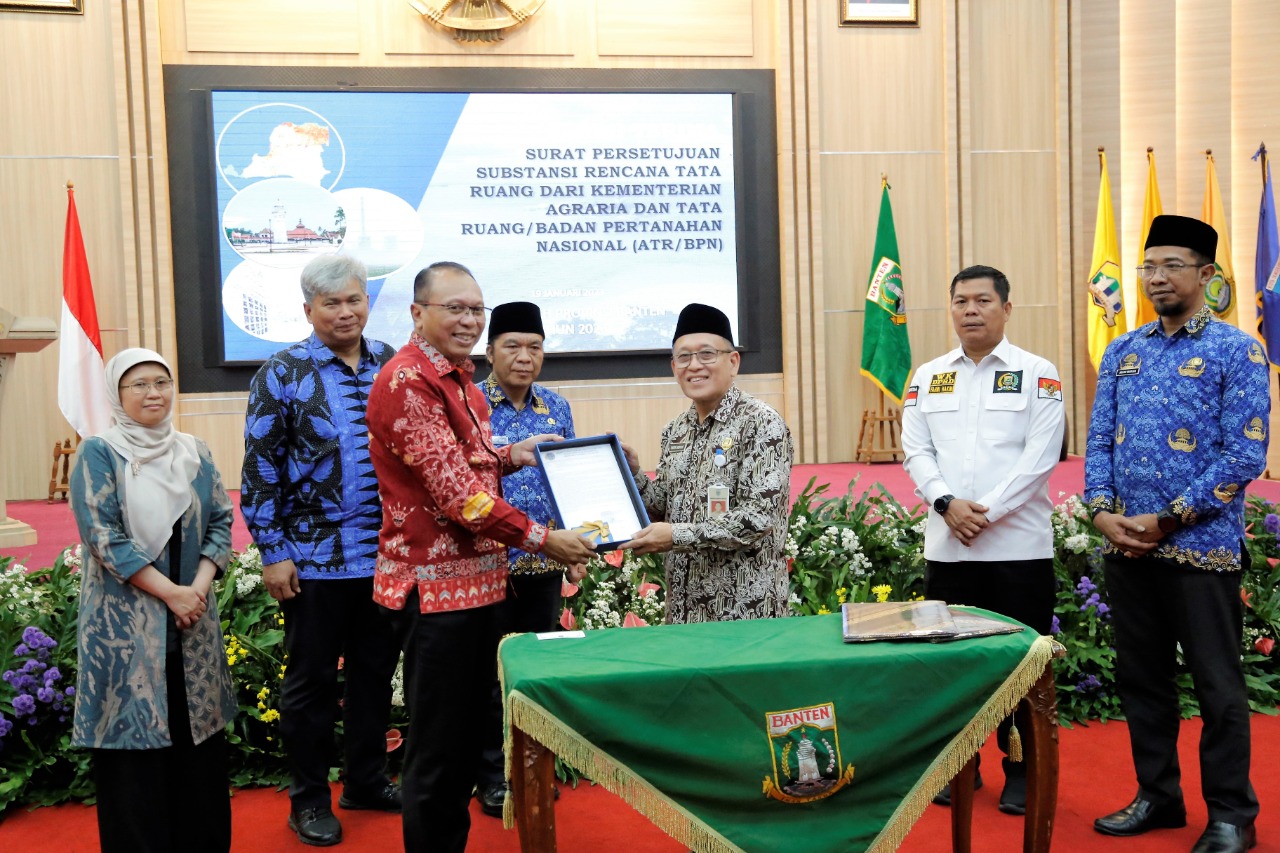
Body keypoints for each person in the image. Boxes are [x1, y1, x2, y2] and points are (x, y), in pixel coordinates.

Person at [366, 261, 596, 853]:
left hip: (478, 587)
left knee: (464, 742)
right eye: (455, 309)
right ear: (418, 313)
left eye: (475, 310)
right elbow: (459, 496)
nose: (468, 320)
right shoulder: (408, 381)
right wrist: (547, 539)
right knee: (438, 752)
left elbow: (467, 458)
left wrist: (510, 453)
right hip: (436, 594)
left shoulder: (459, 379)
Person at [1086, 215, 1268, 853]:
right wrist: (1101, 511)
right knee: (1142, 682)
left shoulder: (1237, 349)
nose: (1157, 278)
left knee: (1218, 688)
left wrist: (1168, 519)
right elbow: (1098, 440)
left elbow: (1244, 456)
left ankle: (1231, 817)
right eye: (1149, 266)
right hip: (1126, 549)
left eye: (1172, 265)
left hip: (1202, 550)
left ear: (1206, 275)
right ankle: (1158, 797)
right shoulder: (1123, 349)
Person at [240, 254, 402, 847]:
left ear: (367, 302)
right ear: (307, 309)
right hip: (312, 561)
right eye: (331, 303)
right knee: (309, 686)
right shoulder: (281, 373)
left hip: (386, 558)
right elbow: (260, 470)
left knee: (374, 676)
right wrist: (273, 549)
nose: (345, 312)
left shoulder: (392, 363)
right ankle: (308, 799)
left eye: (354, 299)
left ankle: (365, 780)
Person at [900, 264, 1065, 816]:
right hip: (950, 549)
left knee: (1020, 664)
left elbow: (1040, 458)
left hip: (1018, 549)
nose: (970, 310)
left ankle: (1020, 768)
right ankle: (959, 765)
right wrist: (948, 504)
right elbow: (917, 451)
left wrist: (984, 512)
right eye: (960, 301)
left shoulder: (1038, 373)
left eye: (982, 301)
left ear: (1006, 309)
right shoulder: (927, 377)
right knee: (954, 664)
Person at [69, 348, 236, 853]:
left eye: (161, 382)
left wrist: (197, 592)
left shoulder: (194, 450)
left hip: (192, 626)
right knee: (133, 756)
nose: (153, 394)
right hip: (125, 634)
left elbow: (222, 522)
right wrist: (172, 595)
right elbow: (104, 537)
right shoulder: (99, 453)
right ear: (117, 395)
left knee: (197, 747)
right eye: (138, 384)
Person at [622, 302, 793, 623]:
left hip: (744, 614)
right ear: (673, 367)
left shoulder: (760, 423)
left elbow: (757, 518)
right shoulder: (675, 431)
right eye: (683, 357)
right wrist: (632, 473)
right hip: (684, 613)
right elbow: (662, 507)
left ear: (733, 361)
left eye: (706, 354)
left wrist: (677, 536)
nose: (694, 365)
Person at [473, 301, 575, 817]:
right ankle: (492, 775)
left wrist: (579, 543)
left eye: (534, 347)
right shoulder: (469, 404)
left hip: (545, 563)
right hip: (487, 564)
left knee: (535, 674)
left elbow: (567, 481)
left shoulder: (556, 407)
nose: (523, 357)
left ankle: (532, 770)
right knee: (491, 676)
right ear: (490, 351)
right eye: (512, 346)